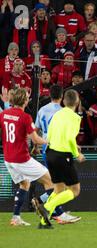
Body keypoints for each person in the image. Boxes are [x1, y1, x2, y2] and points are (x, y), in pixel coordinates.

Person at [0, 88, 55, 227]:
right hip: (21, 159)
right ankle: (53, 211)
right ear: (25, 101)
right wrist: (48, 140)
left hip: (8, 159)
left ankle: (16, 217)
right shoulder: (25, 117)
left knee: (25, 184)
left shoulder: (4, 114)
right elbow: (36, 139)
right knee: (51, 182)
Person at [33, 89, 86, 229]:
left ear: (64, 101)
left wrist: (73, 146)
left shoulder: (57, 114)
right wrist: (77, 154)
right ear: (77, 101)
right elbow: (69, 138)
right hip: (63, 155)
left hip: (50, 153)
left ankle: (44, 222)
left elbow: (49, 135)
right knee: (75, 190)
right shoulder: (75, 117)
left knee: (58, 189)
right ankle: (47, 206)